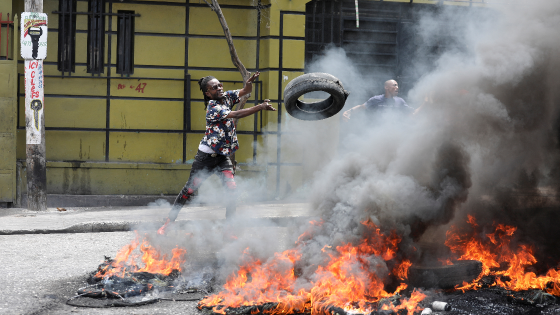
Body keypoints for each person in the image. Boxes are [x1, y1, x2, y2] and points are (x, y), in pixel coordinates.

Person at [157, 72, 276, 235]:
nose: (219, 88)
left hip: (222, 157)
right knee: (189, 191)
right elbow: (237, 114)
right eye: (215, 87)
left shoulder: (226, 97)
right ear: (208, 93)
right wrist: (260, 107)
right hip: (205, 158)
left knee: (232, 190)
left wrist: (249, 83)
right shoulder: (213, 107)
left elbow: (244, 91)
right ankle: (168, 223)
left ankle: (229, 227)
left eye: (220, 85)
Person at [342, 79, 413, 121]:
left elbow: (412, 112)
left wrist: (424, 104)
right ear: (386, 87)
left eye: (397, 85)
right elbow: (361, 107)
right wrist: (348, 112)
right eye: (394, 85)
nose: (397, 87)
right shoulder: (376, 99)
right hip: (377, 134)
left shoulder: (400, 101)